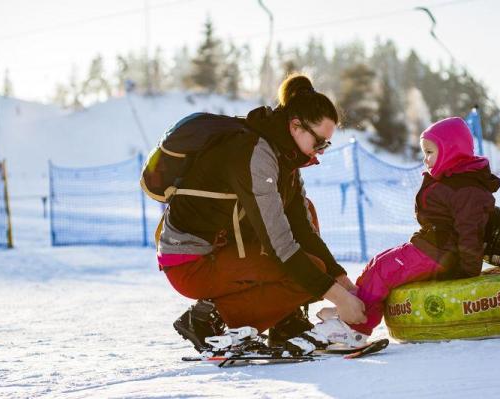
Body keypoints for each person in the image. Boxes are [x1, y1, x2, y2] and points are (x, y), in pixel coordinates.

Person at [157, 73, 367, 351]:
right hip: (191, 261)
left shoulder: (285, 158)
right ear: (296, 126)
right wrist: (340, 300)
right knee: (309, 271)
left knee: (307, 214)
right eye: (319, 143)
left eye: (325, 144)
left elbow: (302, 228)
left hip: (223, 247)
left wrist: (344, 283)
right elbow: (281, 245)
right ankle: (208, 320)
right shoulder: (256, 153)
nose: (321, 151)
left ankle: (286, 321)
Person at [311, 117, 500, 342]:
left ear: (452, 151)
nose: (425, 159)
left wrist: (467, 272)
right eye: (425, 152)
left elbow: (471, 232)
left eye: (430, 152)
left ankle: (356, 328)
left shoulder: (466, 188)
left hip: (439, 254)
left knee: (384, 271)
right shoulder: (449, 179)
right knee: (377, 262)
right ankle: (356, 308)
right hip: (428, 246)